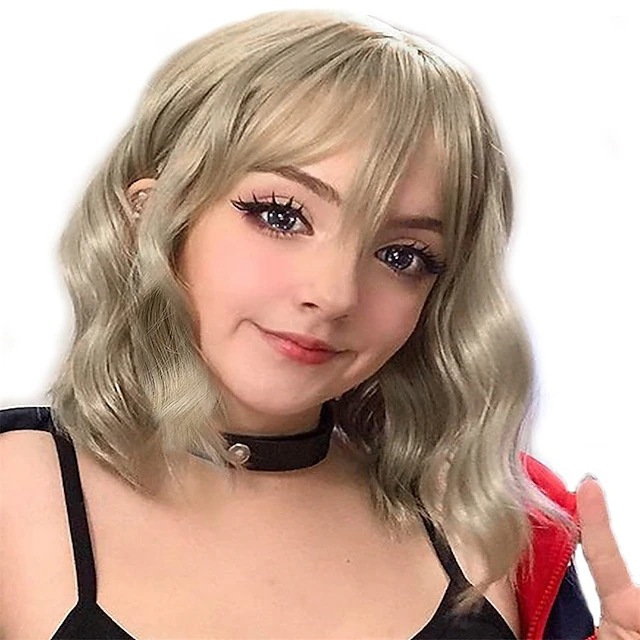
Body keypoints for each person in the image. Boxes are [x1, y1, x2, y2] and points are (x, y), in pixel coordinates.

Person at [0, 9, 637, 640]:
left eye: (402, 256)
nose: (334, 296)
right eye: (281, 216)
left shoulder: (488, 517)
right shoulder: (14, 487)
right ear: (152, 214)